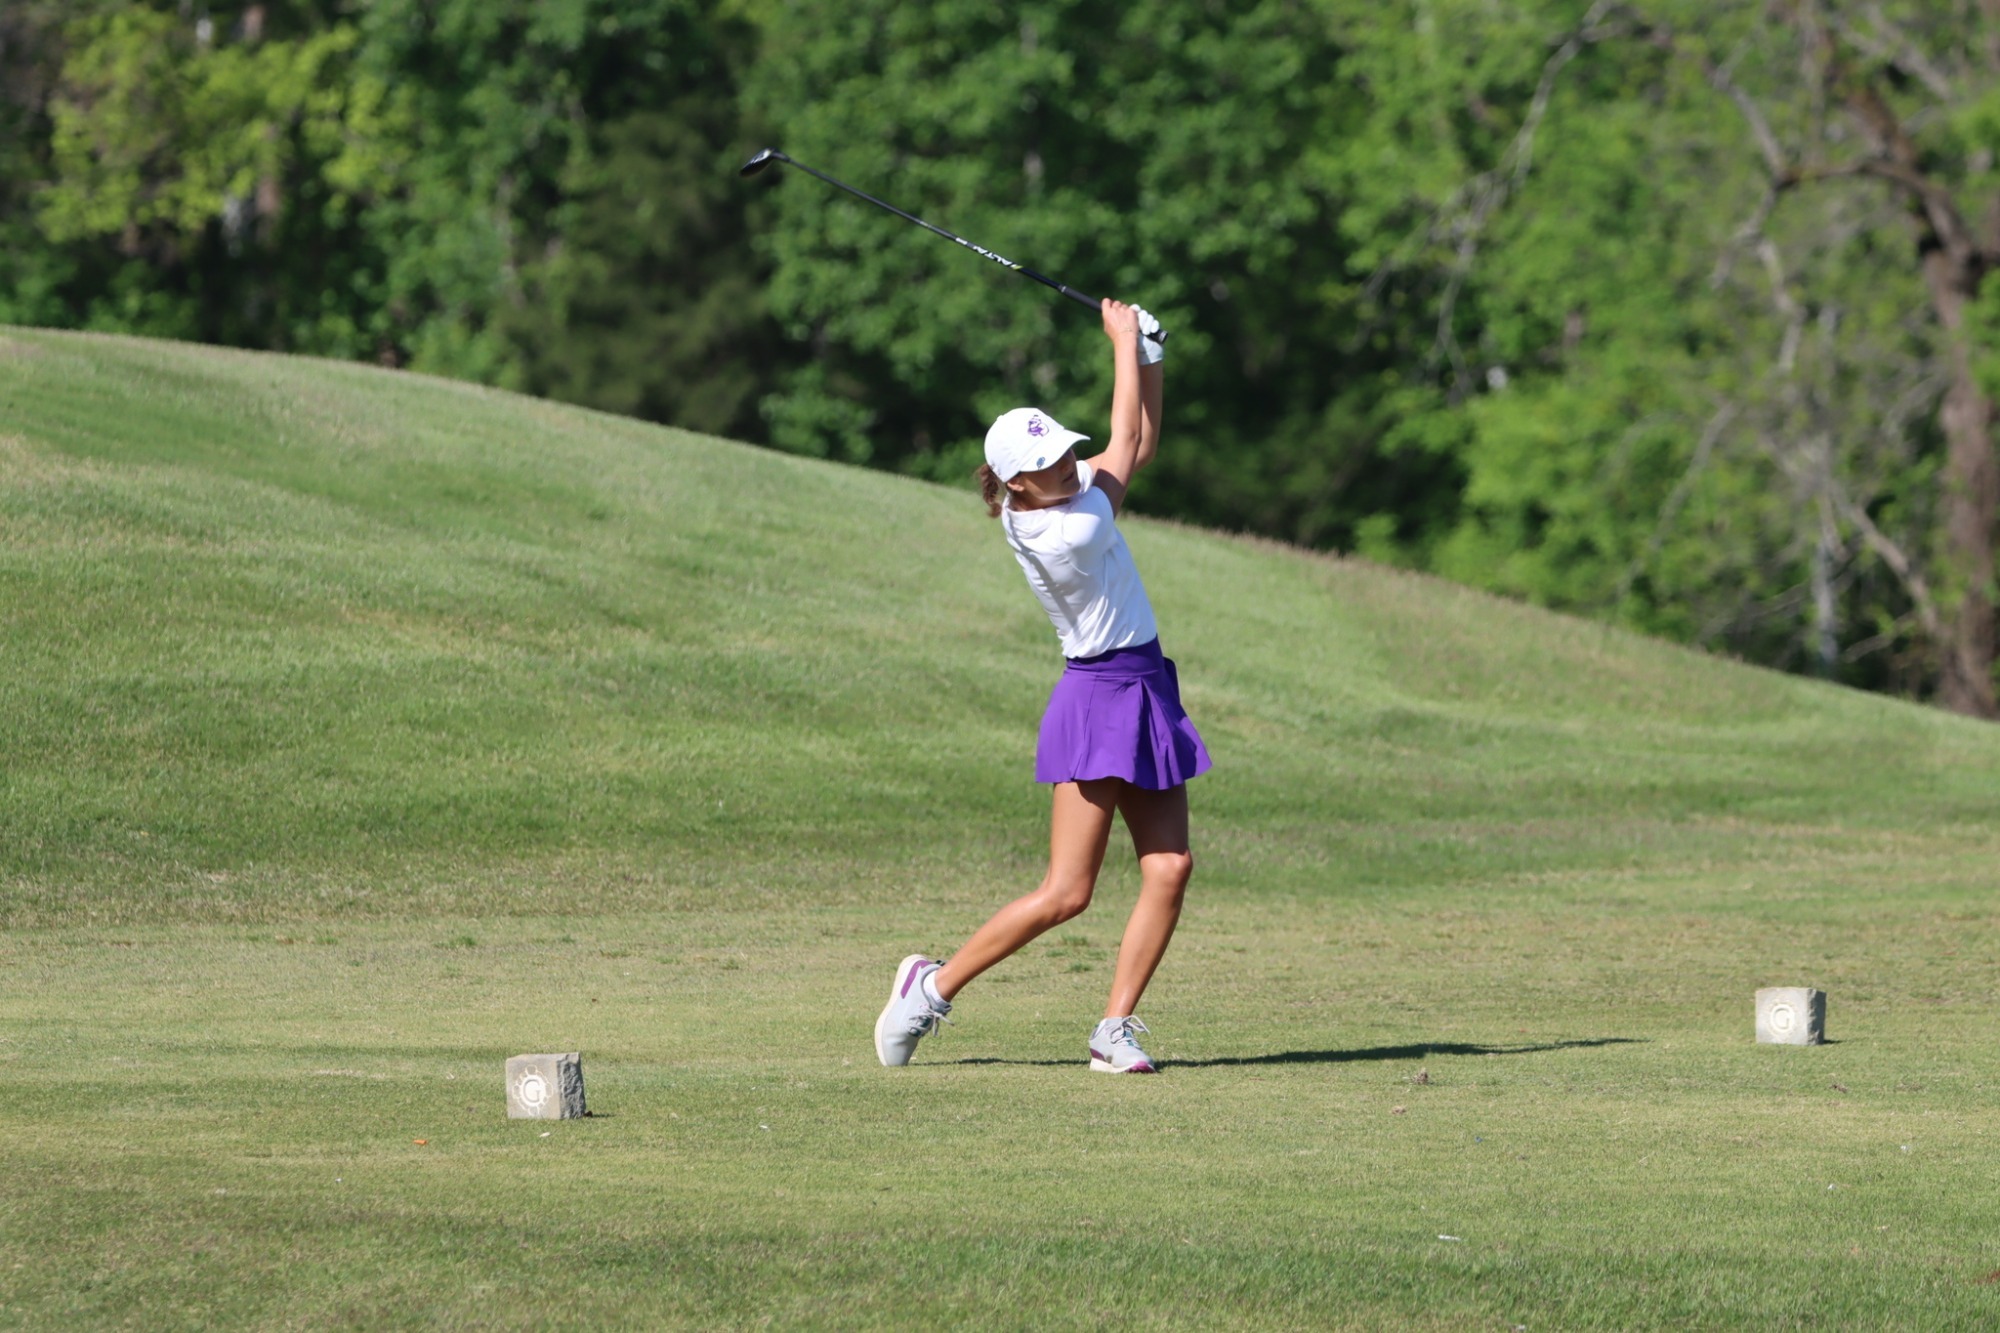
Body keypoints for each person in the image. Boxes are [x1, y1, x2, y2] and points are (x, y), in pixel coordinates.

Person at [874, 298, 1211, 1074]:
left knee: (1170, 866)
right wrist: (1123, 339)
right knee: (1067, 891)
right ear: (1014, 485)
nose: (1066, 466)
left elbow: (1140, 443)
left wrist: (1150, 356)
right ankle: (931, 986)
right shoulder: (1071, 525)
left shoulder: (1054, 496)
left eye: (1066, 455)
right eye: (1048, 465)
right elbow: (1126, 439)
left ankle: (1113, 1029)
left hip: (1144, 683)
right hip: (1098, 699)